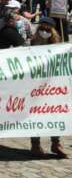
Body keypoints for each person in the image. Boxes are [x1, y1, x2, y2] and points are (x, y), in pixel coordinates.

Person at [30, 17, 68, 159]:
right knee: (35, 114)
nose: (44, 32)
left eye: (47, 30)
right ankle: (35, 144)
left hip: (53, 86)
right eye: (42, 29)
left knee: (55, 112)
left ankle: (56, 143)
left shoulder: (59, 45)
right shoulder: (33, 43)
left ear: (52, 31)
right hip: (36, 86)